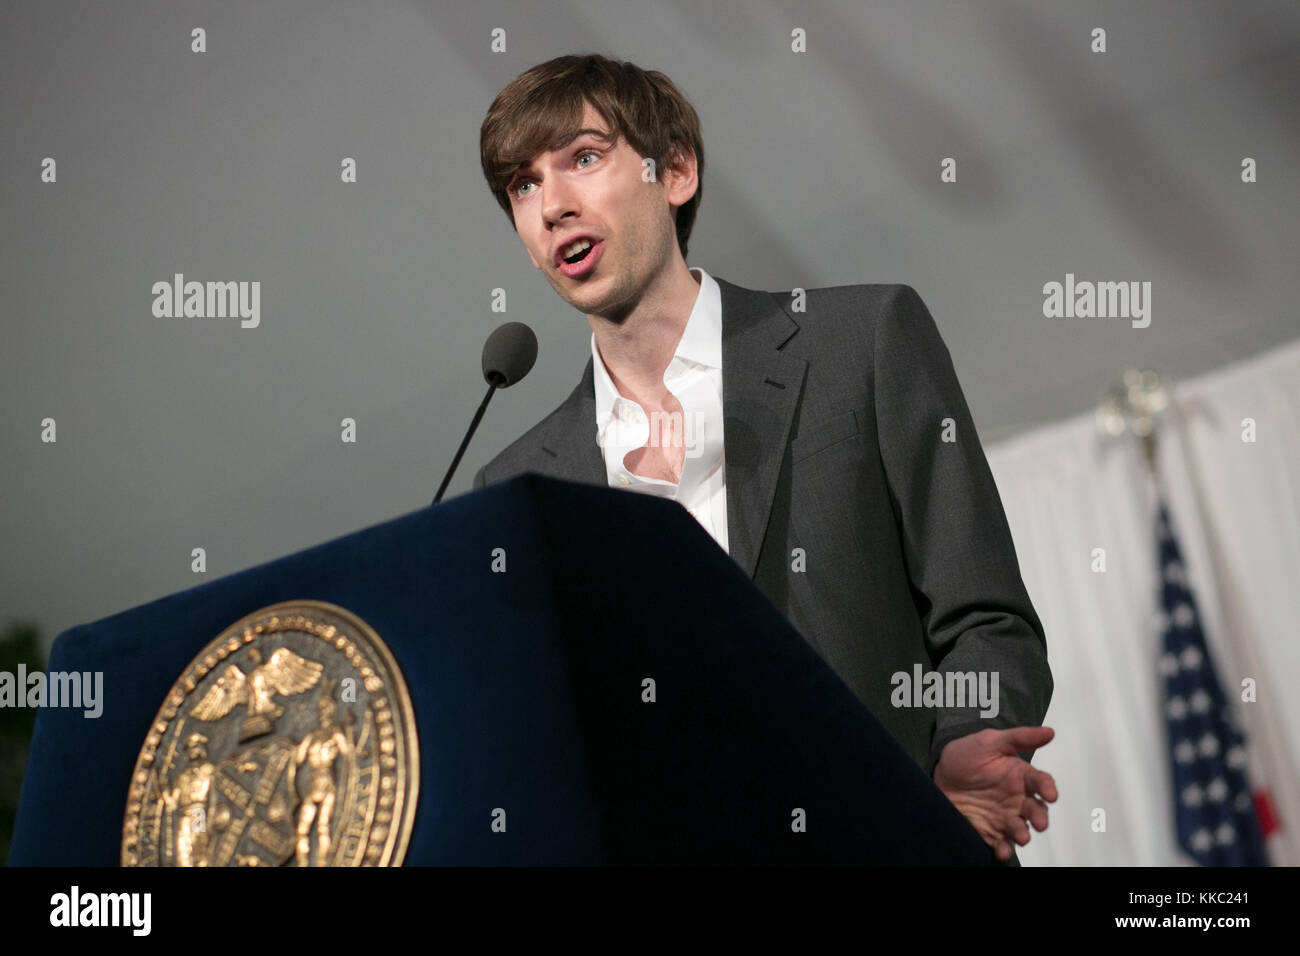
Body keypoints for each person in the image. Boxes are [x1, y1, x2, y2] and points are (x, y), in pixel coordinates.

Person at [472, 53, 1056, 863]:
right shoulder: (515, 488)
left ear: (675, 171)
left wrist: (964, 749)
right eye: (522, 186)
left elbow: (985, 619)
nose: (553, 206)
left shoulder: (862, 341)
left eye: (583, 157)